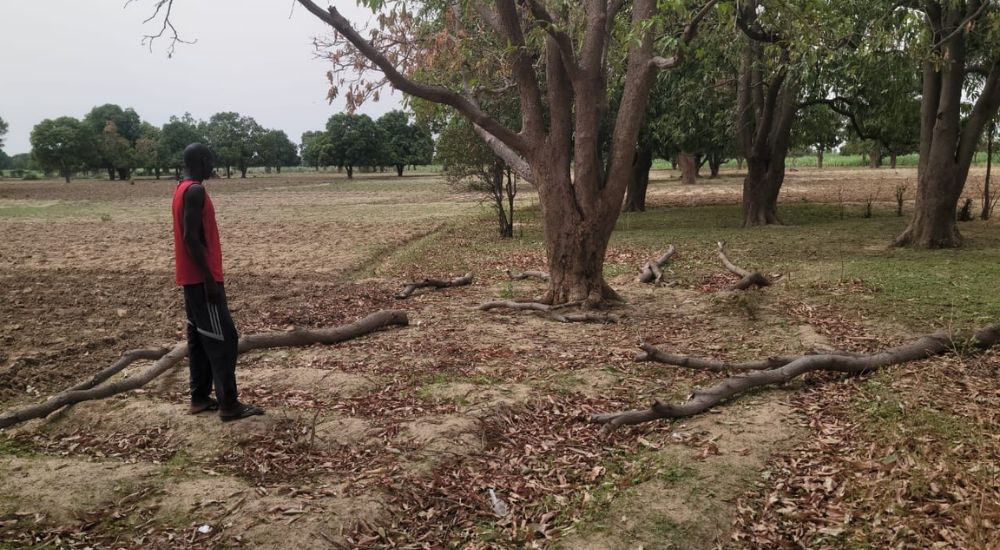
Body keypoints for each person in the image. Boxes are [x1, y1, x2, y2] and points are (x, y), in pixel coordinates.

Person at [172, 143, 263, 422]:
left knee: (200, 338)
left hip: (191, 279)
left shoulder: (181, 188)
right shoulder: (196, 190)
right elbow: (191, 238)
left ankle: (199, 397)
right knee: (225, 340)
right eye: (210, 161)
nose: (213, 167)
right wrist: (210, 279)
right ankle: (229, 405)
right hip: (202, 279)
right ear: (201, 160)